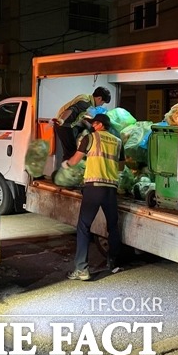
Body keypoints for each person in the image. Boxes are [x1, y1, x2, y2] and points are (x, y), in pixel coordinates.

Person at [62, 113, 125, 281]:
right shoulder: (118, 142)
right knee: (112, 226)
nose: (91, 126)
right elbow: (121, 167)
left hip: (94, 188)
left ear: (98, 124)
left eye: (93, 123)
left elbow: (75, 160)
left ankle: (82, 269)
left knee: (83, 226)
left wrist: (65, 164)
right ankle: (114, 264)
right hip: (111, 189)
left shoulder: (90, 138)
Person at [50, 86, 111, 161]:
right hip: (64, 126)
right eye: (103, 102)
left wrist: (89, 125)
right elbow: (72, 109)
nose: (101, 105)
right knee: (71, 153)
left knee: (70, 151)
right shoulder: (85, 103)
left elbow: (79, 114)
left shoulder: (86, 97)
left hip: (68, 124)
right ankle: (66, 171)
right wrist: (61, 120)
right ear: (99, 98)